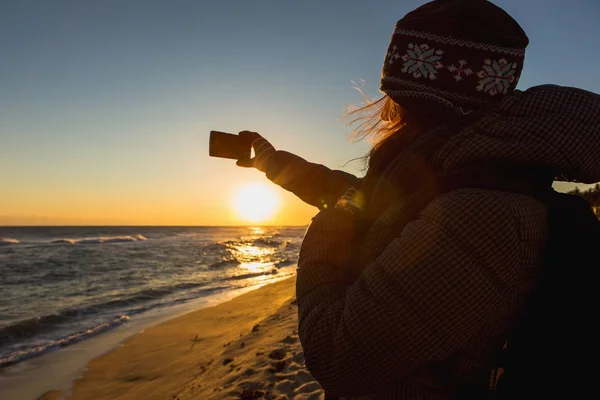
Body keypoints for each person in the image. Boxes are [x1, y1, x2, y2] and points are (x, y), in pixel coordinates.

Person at [237, 0, 600, 398]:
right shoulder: (459, 169)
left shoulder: (482, 213)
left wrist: (331, 224)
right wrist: (274, 164)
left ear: (408, 91)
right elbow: (375, 202)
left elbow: (339, 358)